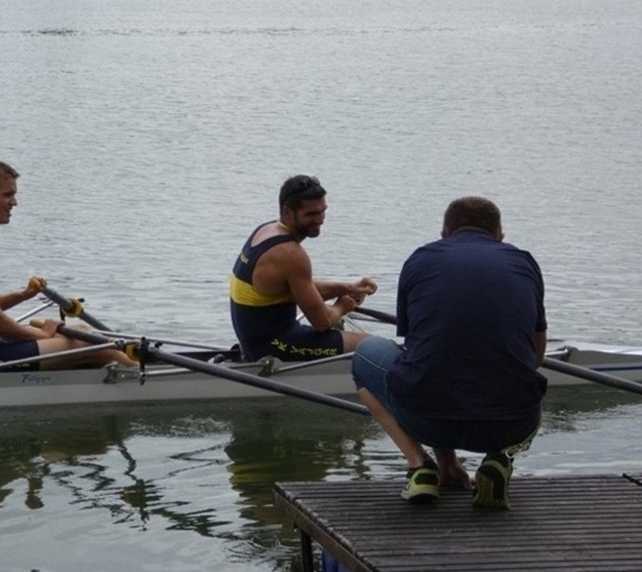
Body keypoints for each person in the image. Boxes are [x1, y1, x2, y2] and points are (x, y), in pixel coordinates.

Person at [351, 196, 547, 510]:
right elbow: (537, 353)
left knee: (366, 353)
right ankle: (499, 458)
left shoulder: (420, 259)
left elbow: (421, 352)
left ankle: (421, 468)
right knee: (528, 379)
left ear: (444, 234)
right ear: (500, 236)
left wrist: (446, 457)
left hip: (426, 420)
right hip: (514, 422)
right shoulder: (523, 262)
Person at [0, 159, 134, 371]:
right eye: (7, 195)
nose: (14, 202)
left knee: (83, 331)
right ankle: (144, 376)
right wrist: (42, 334)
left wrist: (24, 295)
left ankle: (131, 369)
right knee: (93, 345)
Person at [229, 174, 379, 363]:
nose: (320, 219)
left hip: (256, 341)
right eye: (311, 214)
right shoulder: (290, 254)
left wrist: (348, 288)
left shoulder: (265, 231)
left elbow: (299, 287)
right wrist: (341, 307)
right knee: (375, 348)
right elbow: (323, 322)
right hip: (274, 348)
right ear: (287, 211)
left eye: (322, 211)